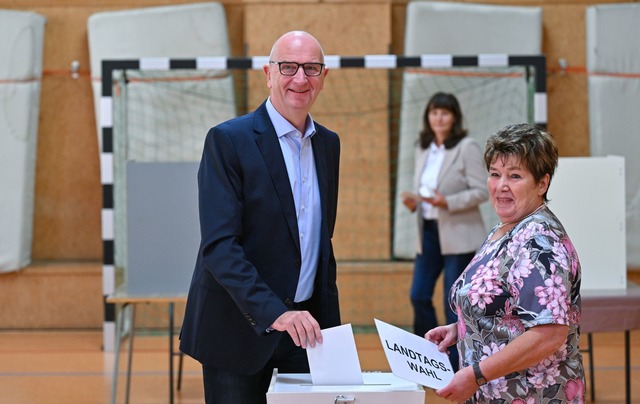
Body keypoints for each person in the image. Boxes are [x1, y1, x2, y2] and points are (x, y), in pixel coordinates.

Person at [179, 31, 341, 404]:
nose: (300, 79)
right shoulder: (228, 140)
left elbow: (318, 244)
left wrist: (329, 332)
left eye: (311, 68)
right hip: (237, 333)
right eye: (288, 67)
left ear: (323, 76)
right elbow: (220, 248)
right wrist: (276, 313)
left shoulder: (328, 144)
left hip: (305, 334)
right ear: (268, 74)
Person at [426, 123, 585, 403]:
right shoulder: (508, 227)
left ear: (542, 183)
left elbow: (548, 333)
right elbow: (509, 309)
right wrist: (463, 328)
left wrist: (476, 375)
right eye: (495, 174)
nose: (501, 186)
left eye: (515, 176)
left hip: (533, 395)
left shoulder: (539, 240)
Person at [401, 92, 488, 370]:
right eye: (434, 112)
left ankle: (455, 364)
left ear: (454, 117)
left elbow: (482, 190)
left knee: (452, 302)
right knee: (418, 294)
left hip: (458, 236)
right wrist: (415, 202)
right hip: (427, 231)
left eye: (445, 113)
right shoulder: (423, 148)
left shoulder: (466, 147)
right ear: (428, 116)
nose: (439, 118)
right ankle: (428, 356)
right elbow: (427, 191)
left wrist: (447, 202)